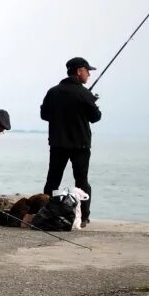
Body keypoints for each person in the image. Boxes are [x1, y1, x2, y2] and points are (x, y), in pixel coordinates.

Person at [40, 56, 102, 227]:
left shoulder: (53, 92)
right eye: (87, 70)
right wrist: (91, 103)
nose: (89, 74)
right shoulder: (84, 93)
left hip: (57, 143)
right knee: (81, 181)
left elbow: (44, 115)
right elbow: (96, 117)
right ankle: (83, 217)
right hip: (80, 144)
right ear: (79, 71)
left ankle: (47, 211)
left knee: (53, 180)